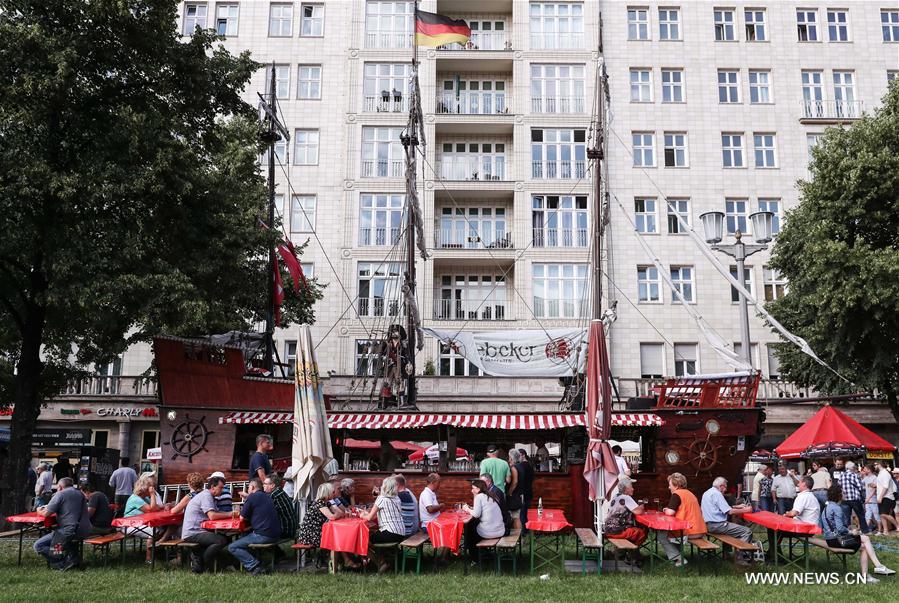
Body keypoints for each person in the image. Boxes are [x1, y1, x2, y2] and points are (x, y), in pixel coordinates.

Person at [822, 484, 895, 583]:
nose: (845, 494)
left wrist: (848, 530)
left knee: (864, 547)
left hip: (829, 539)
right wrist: (851, 532)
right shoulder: (837, 508)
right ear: (838, 495)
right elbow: (840, 529)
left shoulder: (827, 507)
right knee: (865, 538)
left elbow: (830, 526)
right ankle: (877, 567)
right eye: (843, 492)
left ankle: (869, 574)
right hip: (837, 540)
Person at [227, 478, 282, 576]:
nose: (248, 489)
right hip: (275, 534)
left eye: (248, 487)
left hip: (263, 535)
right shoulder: (266, 496)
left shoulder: (252, 497)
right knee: (245, 535)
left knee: (233, 547)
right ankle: (253, 562)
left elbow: (241, 518)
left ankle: (255, 566)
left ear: (252, 487)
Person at [34, 478, 91, 571]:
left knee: (39, 545)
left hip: (68, 531)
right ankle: (73, 559)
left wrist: (38, 510)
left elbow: (46, 513)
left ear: (60, 487)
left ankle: (63, 562)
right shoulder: (80, 494)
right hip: (85, 530)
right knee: (61, 541)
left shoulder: (60, 494)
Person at [180, 476, 234, 574]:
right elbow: (212, 516)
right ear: (213, 487)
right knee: (221, 540)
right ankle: (202, 562)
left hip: (197, 530)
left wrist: (230, 514)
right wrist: (230, 514)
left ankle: (198, 560)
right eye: (221, 487)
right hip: (193, 532)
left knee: (225, 538)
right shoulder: (206, 496)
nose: (222, 490)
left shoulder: (209, 496)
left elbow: (216, 513)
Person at [701, 477, 754, 564]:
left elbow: (719, 507)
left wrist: (737, 506)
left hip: (708, 525)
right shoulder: (717, 494)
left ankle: (727, 554)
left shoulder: (707, 493)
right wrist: (746, 510)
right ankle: (741, 558)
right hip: (717, 526)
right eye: (725, 487)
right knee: (747, 531)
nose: (725, 490)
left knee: (731, 530)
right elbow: (730, 512)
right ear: (721, 486)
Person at [659, 473, 707, 566]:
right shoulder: (690, 493)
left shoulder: (677, 494)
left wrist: (665, 510)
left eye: (670, 485)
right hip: (700, 529)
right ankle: (677, 557)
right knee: (673, 532)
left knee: (662, 535)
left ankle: (679, 559)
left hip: (689, 531)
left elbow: (670, 512)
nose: (669, 487)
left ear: (676, 486)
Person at [362, 476, 407, 573]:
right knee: (373, 535)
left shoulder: (381, 499)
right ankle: (383, 557)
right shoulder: (397, 498)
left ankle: (380, 562)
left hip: (390, 533)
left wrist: (361, 515)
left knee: (363, 541)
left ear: (385, 486)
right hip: (401, 533)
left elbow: (369, 517)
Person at [123, 474, 166, 562]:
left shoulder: (144, 498)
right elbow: (151, 510)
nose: (153, 489)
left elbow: (156, 507)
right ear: (145, 488)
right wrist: (152, 494)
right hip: (129, 525)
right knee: (154, 531)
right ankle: (148, 558)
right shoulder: (135, 499)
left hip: (139, 524)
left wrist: (165, 506)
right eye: (151, 487)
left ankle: (158, 552)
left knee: (163, 528)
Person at [462, 479, 505, 561]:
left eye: (473, 488)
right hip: (500, 530)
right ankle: (483, 553)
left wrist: (466, 508)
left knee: (469, 530)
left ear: (478, 489)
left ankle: (475, 558)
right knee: (473, 525)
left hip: (491, 533)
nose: (471, 491)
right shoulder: (490, 495)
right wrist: (472, 509)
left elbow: (476, 514)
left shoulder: (479, 497)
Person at [603, 477, 647, 555]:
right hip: (617, 531)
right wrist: (642, 505)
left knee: (635, 530)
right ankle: (632, 555)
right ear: (626, 489)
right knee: (642, 532)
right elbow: (638, 511)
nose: (633, 489)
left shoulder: (616, 496)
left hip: (608, 529)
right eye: (631, 487)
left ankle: (622, 552)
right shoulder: (626, 498)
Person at [835, 459, 870, 533]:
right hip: (854, 498)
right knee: (860, 515)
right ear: (852, 468)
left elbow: (839, 486)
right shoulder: (855, 475)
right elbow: (860, 487)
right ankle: (865, 531)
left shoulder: (841, 475)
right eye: (854, 467)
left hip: (845, 499)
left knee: (846, 517)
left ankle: (845, 531)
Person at [263, 474, 298, 540]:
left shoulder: (273, 495)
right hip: (291, 530)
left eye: (265, 484)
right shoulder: (280, 492)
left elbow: (264, 513)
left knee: (258, 531)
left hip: (285, 532)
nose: (263, 485)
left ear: (272, 485)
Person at [512, 448, 534, 534]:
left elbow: (518, 481)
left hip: (522, 492)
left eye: (519, 456)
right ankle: (525, 531)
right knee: (525, 513)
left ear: (523, 455)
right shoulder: (530, 465)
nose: (518, 457)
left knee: (521, 514)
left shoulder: (520, 466)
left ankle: (523, 532)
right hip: (529, 491)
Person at [874, 462, 899, 534]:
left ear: (879, 465)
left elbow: (886, 486)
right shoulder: (880, 473)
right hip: (882, 497)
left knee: (884, 514)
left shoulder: (885, 473)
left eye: (875, 465)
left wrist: (880, 497)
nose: (874, 466)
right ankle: (885, 531)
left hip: (887, 497)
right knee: (881, 515)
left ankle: (897, 526)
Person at [861, 464, 880, 534]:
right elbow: (860, 484)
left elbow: (875, 490)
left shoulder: (875, 478)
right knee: (867, 516)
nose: (864, 470)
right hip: (867, 500)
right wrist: (861, 475)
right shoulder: (866, 478)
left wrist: (868, 498)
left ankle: (880, 530)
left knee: (876, 516)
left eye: (865, 469)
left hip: (873, 500)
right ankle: (865, 531)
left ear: (869, 470)